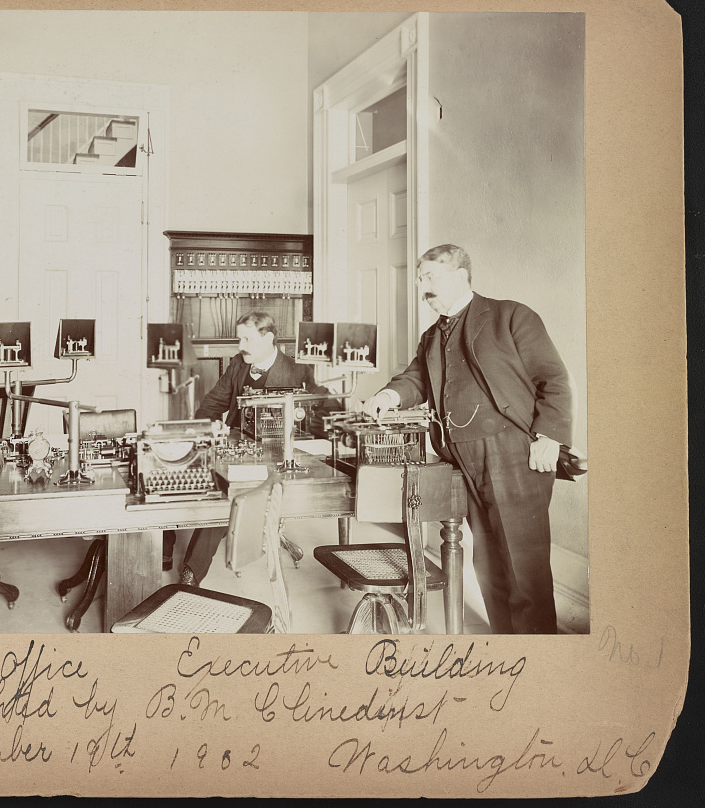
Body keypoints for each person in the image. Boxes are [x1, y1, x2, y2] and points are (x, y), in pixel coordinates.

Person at [362, 244, 573, 634]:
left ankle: (541, 658)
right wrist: (388, 395)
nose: (423, 287)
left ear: (460, 275)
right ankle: (507, 647)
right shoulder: (431, 336)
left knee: (524, 570)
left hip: (512, 455)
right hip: (462, 458)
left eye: (430, 277)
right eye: (420, 279)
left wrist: (550, 437)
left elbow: (554, 378)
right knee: (488, 564)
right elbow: (416, 380)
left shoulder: (509, 315)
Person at [167, 310, 334, 587]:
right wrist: (202, 431)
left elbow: (324, 409)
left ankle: (191, 574)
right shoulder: (237, 365)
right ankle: (164, 548)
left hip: (276, 450)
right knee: (182, 474)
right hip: (235, 441)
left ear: (268, 337)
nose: (240, 346)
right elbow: (213, 404)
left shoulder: (299, 370)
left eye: (246, 339)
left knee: (228, 492)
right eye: (239, 339)